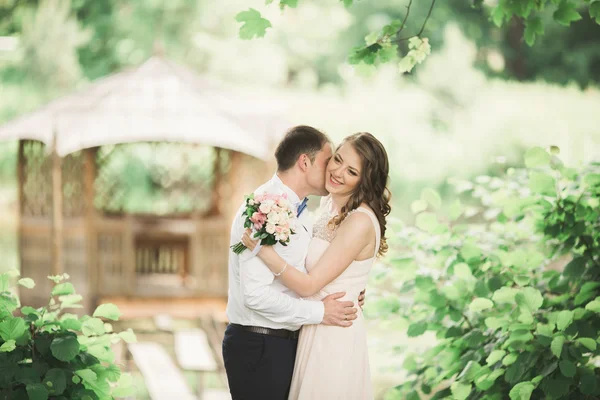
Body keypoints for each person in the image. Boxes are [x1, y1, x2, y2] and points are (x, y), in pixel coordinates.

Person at [241, 132, 391, 399]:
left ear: (365, 181)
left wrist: (264, 251)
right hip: (314, 323)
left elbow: (311, 283)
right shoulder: (329, 205)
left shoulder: (358, 222)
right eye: (337, 160)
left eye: (352, 171)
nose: (337, 172)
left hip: (333, 335)